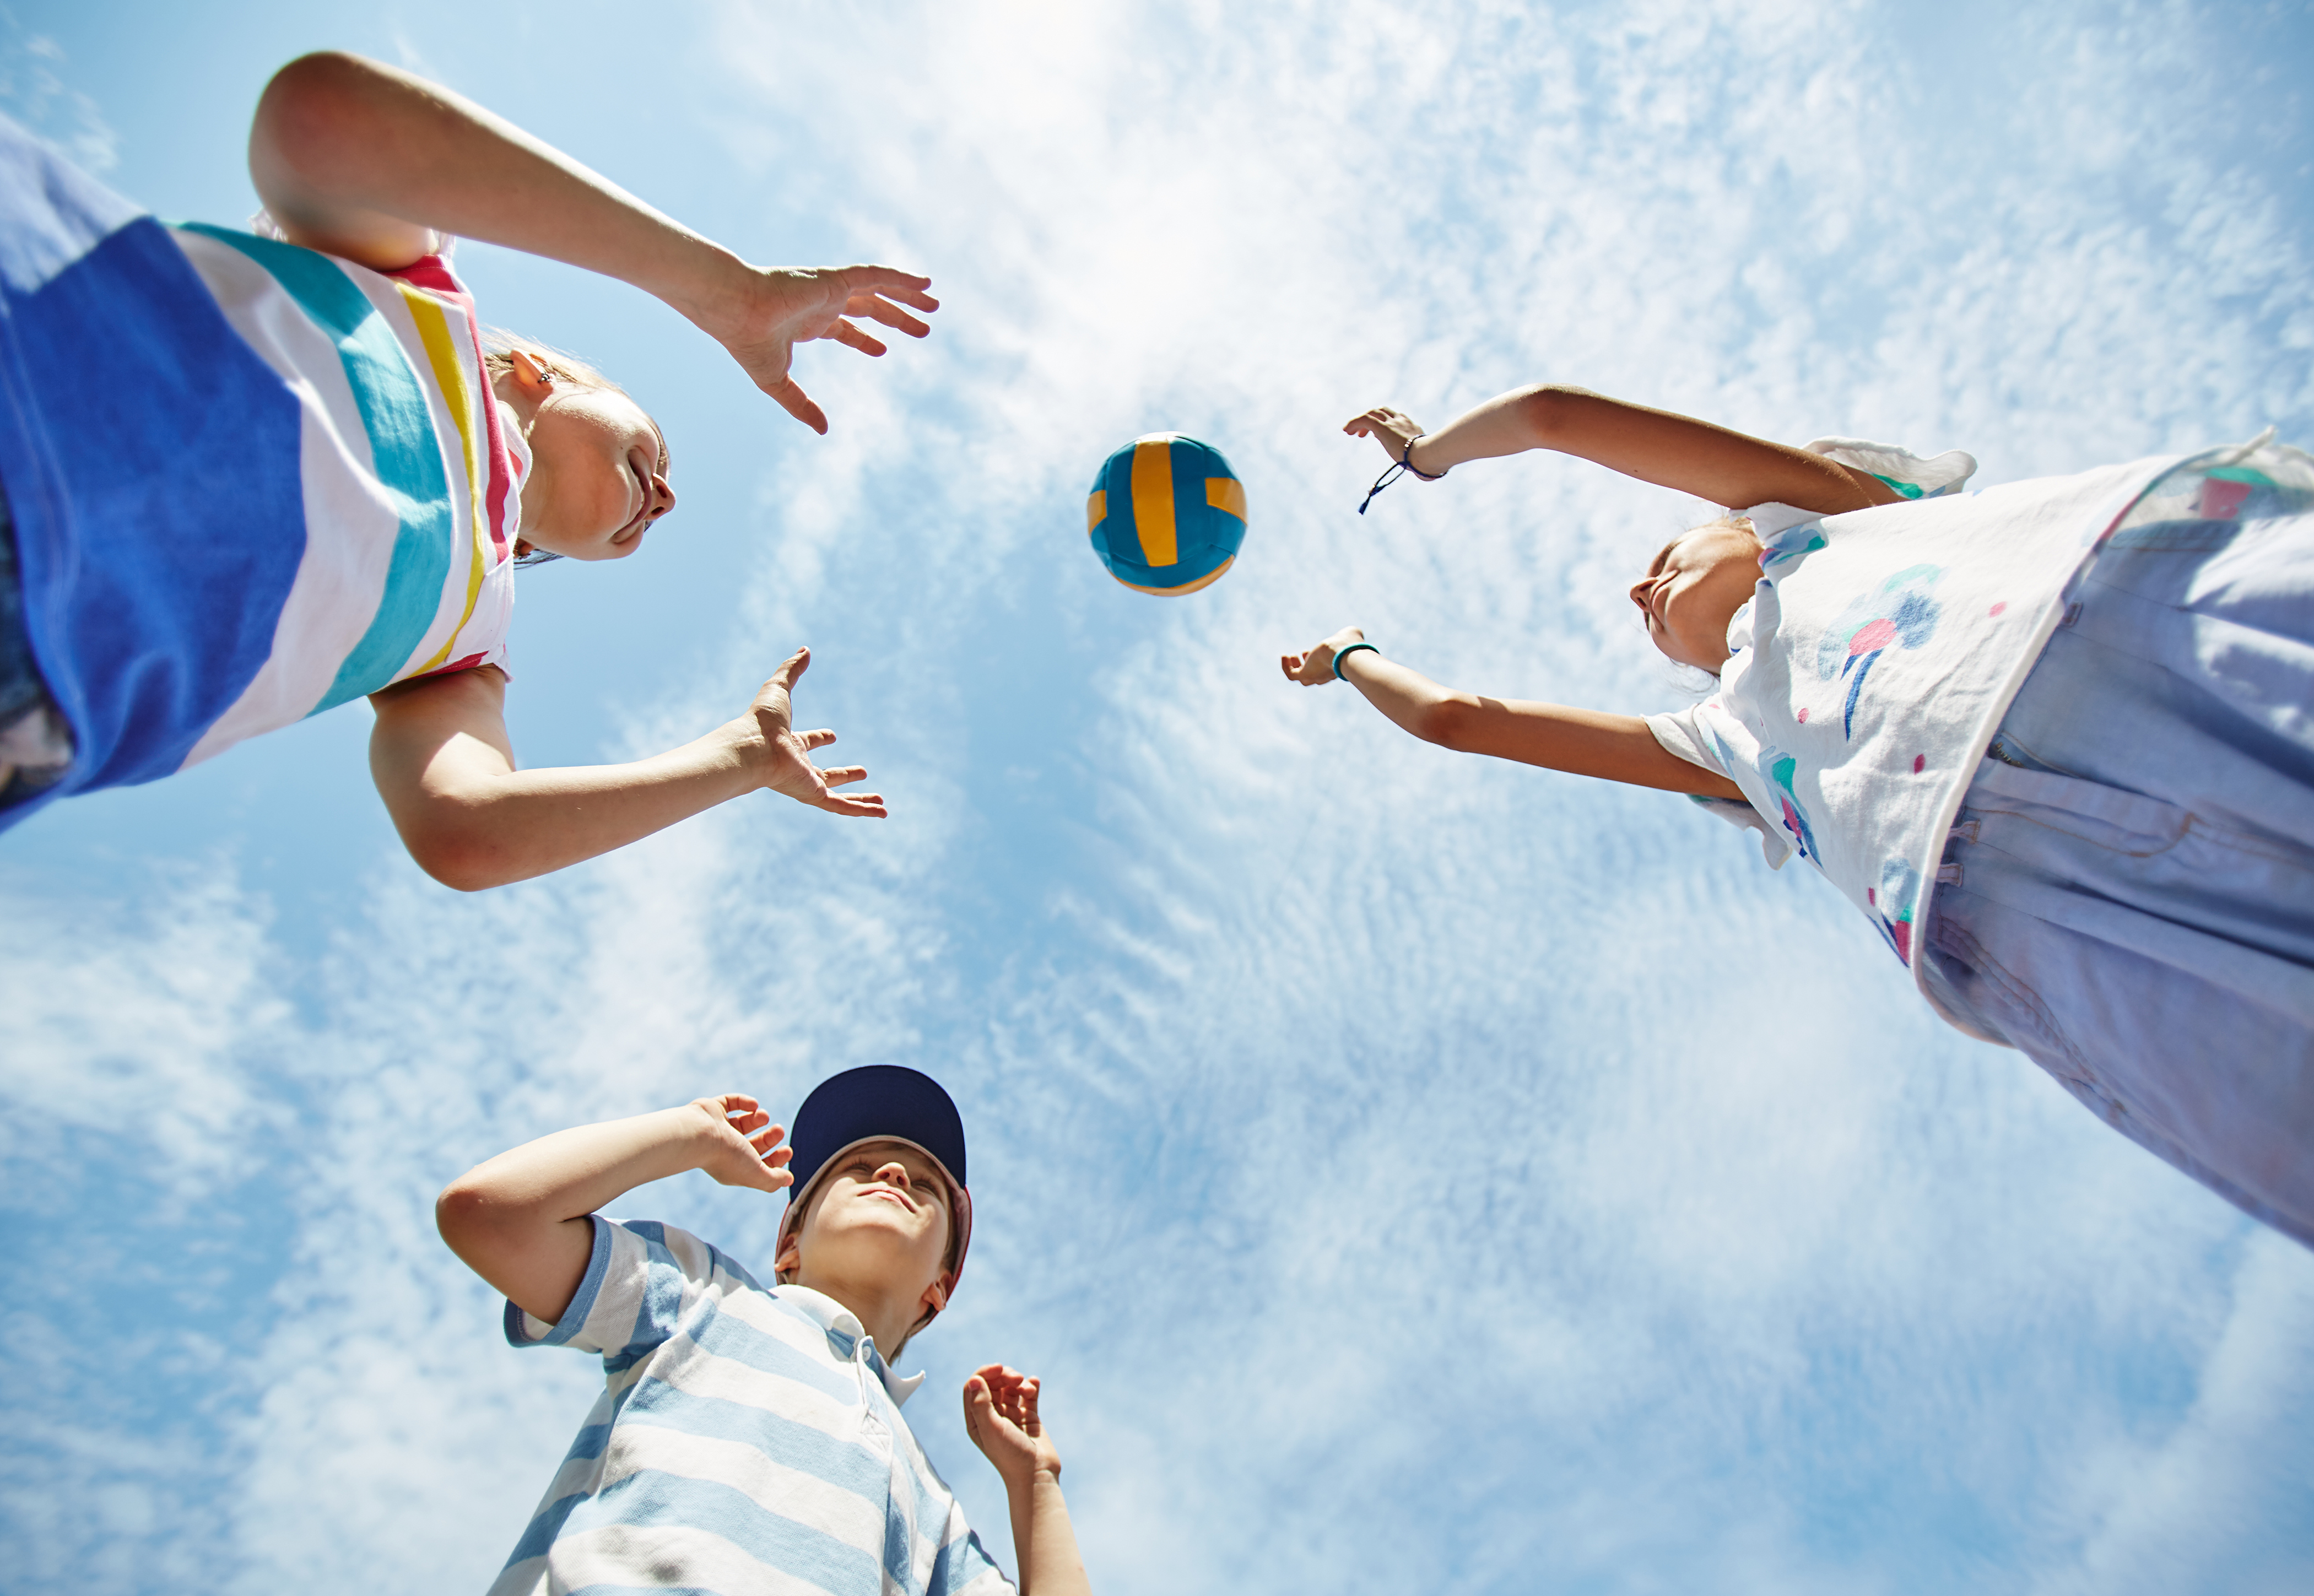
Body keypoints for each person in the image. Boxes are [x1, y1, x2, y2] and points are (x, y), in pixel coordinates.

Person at [1285, 383, 2314, 1246]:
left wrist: (1426, 454)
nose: (1640, 585)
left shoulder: (1827, 521)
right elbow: (1462, 722)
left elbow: (1555, 414)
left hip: (2134, 658)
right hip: (2050, 918)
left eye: (1669, 550)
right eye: (1647, 598)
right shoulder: (1725, 743)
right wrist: (1349, 658)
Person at [0, 51, 938, 885]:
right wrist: (725, 291)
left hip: (37, 687)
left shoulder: (464, 645)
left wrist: (744, 756)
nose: (668, 496)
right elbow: (320, 119)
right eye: (654, 449)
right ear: (545, 375)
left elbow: (467, 832)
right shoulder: (414, 300)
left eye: (657, 500)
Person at [437, 1064, 1095, 1596]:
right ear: (789, 1246)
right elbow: (489, 1217)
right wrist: (687, 1135)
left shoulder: (930, 1507)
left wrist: (1035, 1483)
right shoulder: (703, 1296)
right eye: (857, 1169)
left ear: (938, 1288)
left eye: (924, 1183)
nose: (894, 1174)